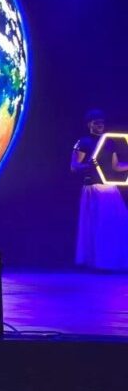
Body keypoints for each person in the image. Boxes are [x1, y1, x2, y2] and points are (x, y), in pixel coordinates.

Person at [71, 109, 128, 270]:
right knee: (99, 226)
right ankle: (100, 263)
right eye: (96, 122)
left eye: (102, 121)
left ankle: (113, 262)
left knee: (117, 224)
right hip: (94, 188)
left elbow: (116, 166)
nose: (100, 124)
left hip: (109, 188)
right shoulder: (83, 142)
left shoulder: (109, 141)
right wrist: (87, 166)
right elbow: (74, 166)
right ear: (89, 124)